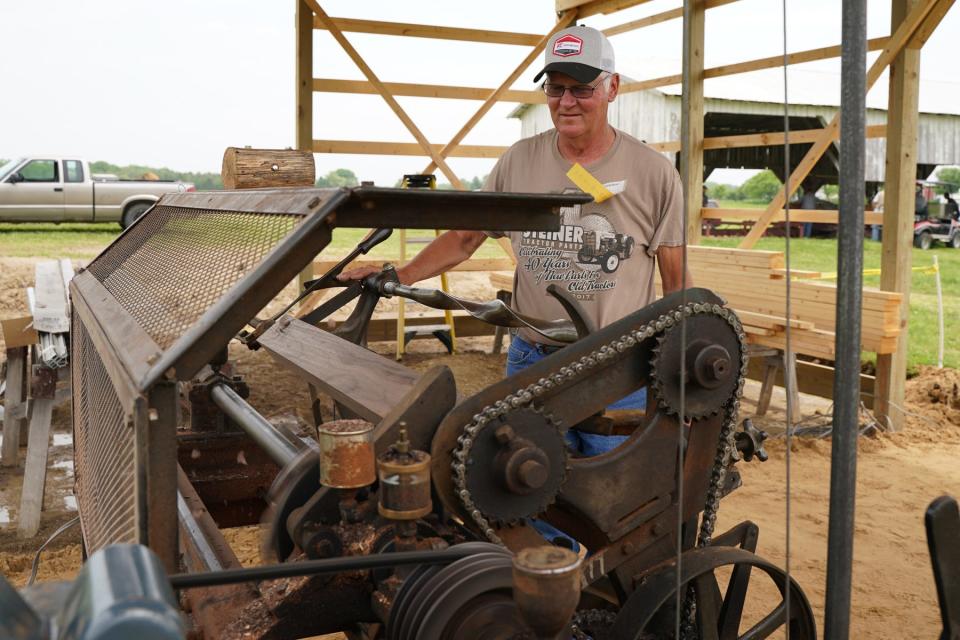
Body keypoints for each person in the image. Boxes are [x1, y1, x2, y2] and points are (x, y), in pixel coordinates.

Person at [339, 25, 691, 453]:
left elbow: (676, 282)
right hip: (533, 358)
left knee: (612, 500)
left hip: (616, 368)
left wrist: (679, 368)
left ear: (612, 87)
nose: (566, 103)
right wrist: (402, 273)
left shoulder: (653, 173)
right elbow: (466, 237)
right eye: (555, 89)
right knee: (525, 488)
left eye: (581, 89)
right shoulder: (520, 160)